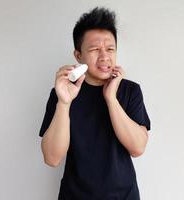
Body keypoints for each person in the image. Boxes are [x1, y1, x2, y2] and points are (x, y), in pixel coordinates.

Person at [39, 7, 151, 200]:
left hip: (123, 196)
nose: (104, 57)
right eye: (94, 50)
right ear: (78, 55)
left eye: (110, 49)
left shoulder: (130, 91)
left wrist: (111, 98)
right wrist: (64, 103)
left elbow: (138, 148)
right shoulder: (62, 93)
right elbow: (52, 158)